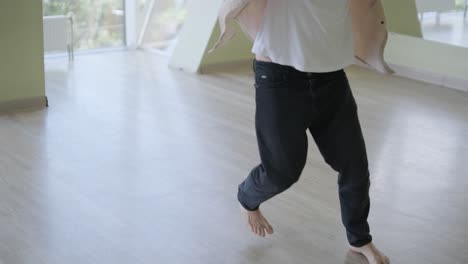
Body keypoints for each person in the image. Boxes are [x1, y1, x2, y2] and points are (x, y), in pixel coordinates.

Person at [236, 1, 390, 263]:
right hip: (278, 78)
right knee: (282, 172)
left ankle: (360, 239)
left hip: (331, 78)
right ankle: (247, 197)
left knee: (355, 166)